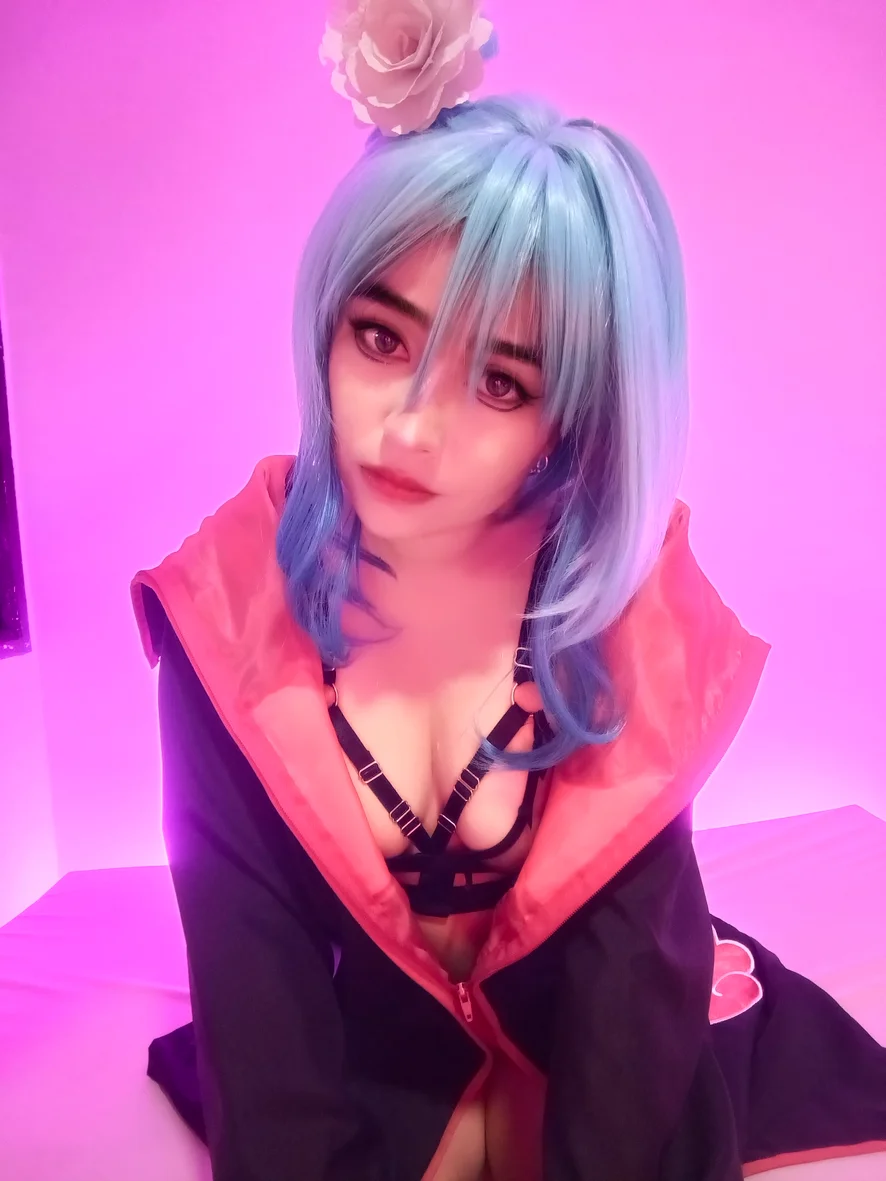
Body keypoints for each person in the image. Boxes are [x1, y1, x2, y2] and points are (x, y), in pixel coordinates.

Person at [131, 4, 886, 1178]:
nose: (410, 428)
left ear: (574, 413)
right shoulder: (222, 616)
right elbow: (254, 981)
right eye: (381, 340)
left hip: (598, 1059)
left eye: (499, 382)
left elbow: (627, 979)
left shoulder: (622, 611)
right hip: (373, 1070)